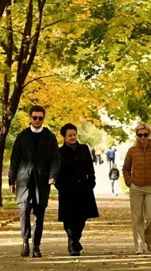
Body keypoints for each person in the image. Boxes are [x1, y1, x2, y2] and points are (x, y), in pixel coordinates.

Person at [9, 105, 61, 258]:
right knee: (24, 211)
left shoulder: (50, 137)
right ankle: (25, 242)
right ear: (30, 118)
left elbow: (55, 159)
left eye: (40, 118)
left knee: (39, 215)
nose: (37, 120)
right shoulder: (22, 136)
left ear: (43, 118)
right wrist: (11, 179)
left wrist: (53, 175)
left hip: (42, 180)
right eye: (34, 117)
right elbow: (15, 159)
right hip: (24, 179)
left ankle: (36, 246)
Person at [55, 123, 99, 256]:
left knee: (81, 219)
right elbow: (56, 172)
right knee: (69, 220)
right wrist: (60, 186)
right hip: (67, 190)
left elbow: (90, 168)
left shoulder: (84, 149)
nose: (73, 137)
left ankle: (74, 241)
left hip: (83, 190)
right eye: (69, 135)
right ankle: (73, 244)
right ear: (64, 137)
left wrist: (91, 182)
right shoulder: (59, 152)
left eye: (74, 135)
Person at [123, 123, 151, 255]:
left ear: (149, 135)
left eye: (145, 134)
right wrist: (130, 182)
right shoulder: (132, 150)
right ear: (137, 135)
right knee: (137, 218)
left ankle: (148, 238)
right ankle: (139, 246)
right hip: (136, 187)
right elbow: (125, 168)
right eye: (140, 135)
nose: (142, 137)